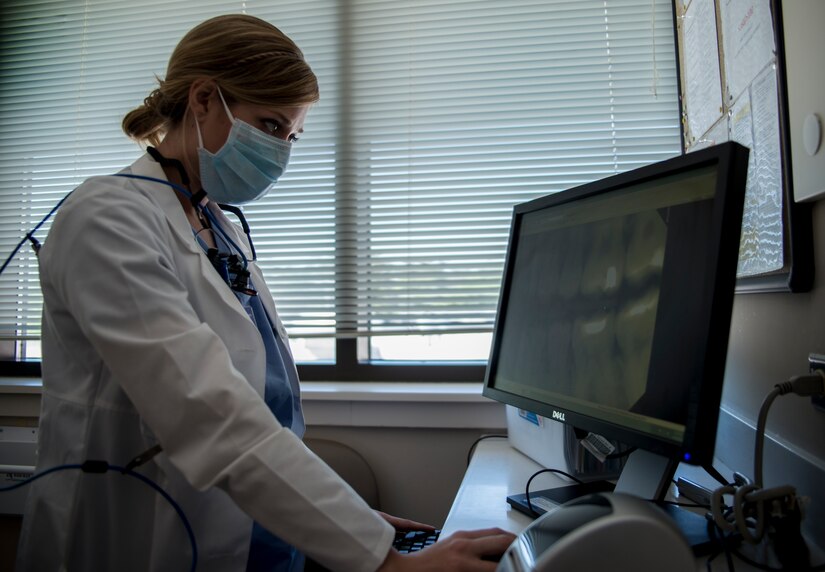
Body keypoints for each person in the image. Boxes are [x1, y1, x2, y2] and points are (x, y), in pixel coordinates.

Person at [15, 13, 514, 572]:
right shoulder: (107, 218)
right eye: (272, 127)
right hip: (140, 535)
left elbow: (267, 410)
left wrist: (355, 520)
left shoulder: (213, 225)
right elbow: (209, 412)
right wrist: (384, 561)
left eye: (291, 136)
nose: (282, 151)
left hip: (255, 532)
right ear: (203, 99)